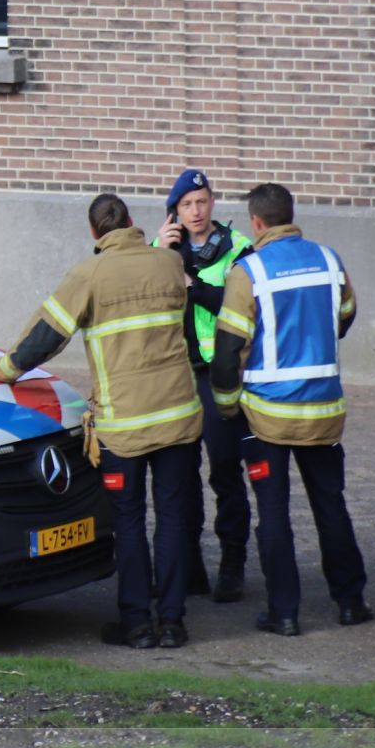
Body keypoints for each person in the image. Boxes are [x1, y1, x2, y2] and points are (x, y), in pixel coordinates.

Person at [0, 193, 201, 650]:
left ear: (94, 233)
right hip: (179, 416)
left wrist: (2, 371)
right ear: (131, 222)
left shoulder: (88, 274)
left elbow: (44, 338)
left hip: (123, 425)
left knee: (128, 521)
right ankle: (174, 622)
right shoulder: (167, 263)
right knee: (173, 518)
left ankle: (138, 624)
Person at [211, 182, 371, 638]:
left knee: (274, 514)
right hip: (323, 411)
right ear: (290, 214)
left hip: (267, 417)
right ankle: (350, 601)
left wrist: (226, 407)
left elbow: (227, 352)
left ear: (256, 223)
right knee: (330, 505)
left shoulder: (248, 272)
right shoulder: (329, 259)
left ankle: (284, 612)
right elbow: (346, 315)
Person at [153, 168, 257, 603]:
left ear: (213, 202)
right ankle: (190, 564)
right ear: (174, 212)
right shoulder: (164, 252)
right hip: (179, 374)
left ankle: (232, 564)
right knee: (182, 471)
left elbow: (238, 306)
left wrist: (192, 286)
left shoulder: (237, 248)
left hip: (221, 374)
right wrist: (159, 251)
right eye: (186, 205)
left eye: (202, 201)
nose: (196, 211)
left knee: (225, 468)